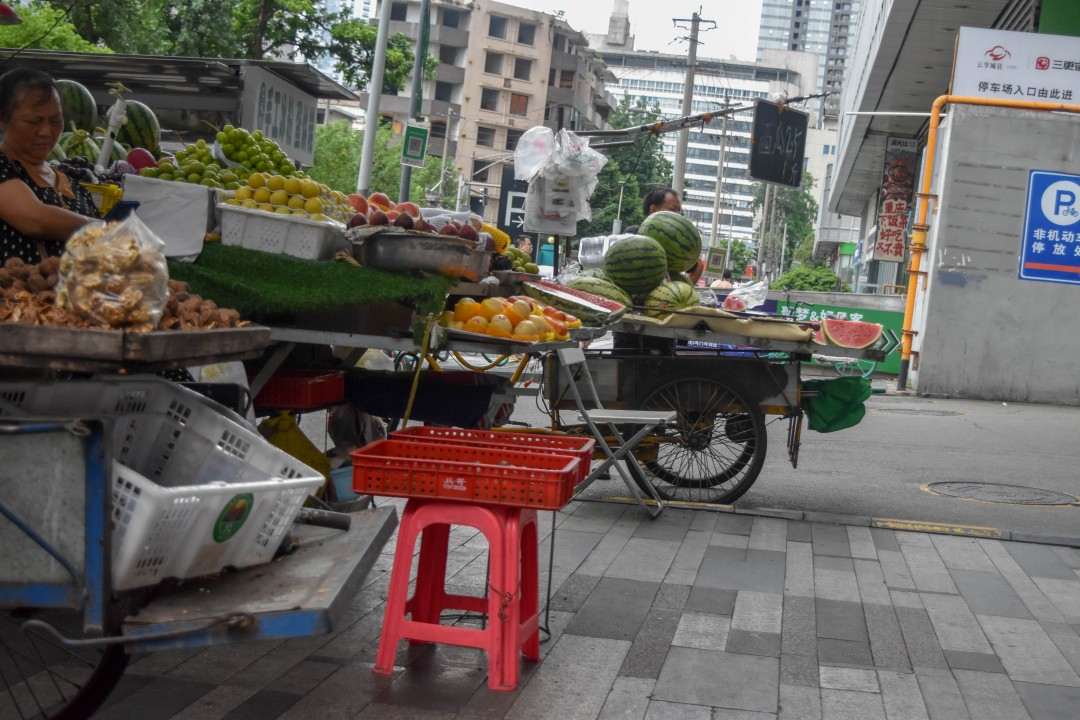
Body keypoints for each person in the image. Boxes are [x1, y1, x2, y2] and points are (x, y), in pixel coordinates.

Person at [0, 68, 99, 264]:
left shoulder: (71, 181)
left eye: (55, 120)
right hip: (16, 294)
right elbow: (34, 220)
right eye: (33, 121)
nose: (46, 131)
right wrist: (104, 229)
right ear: (2, 119)